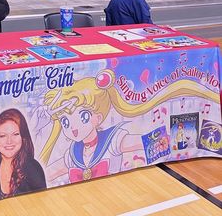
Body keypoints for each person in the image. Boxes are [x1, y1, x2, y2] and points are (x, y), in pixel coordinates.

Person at [40, 69, 218, 184]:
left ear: (98, 118)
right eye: (65, 122)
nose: (74, 127)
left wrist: (187, 135)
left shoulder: (113, 139)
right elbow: (52, 171)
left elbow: (147, 142)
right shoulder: (72, 153)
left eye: (84, 116)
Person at [0, 108, 46, 208]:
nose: (9, 141)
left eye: (15, 134)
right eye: (3, 136)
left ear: (23, 137)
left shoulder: (33, 167)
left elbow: (42, 204)